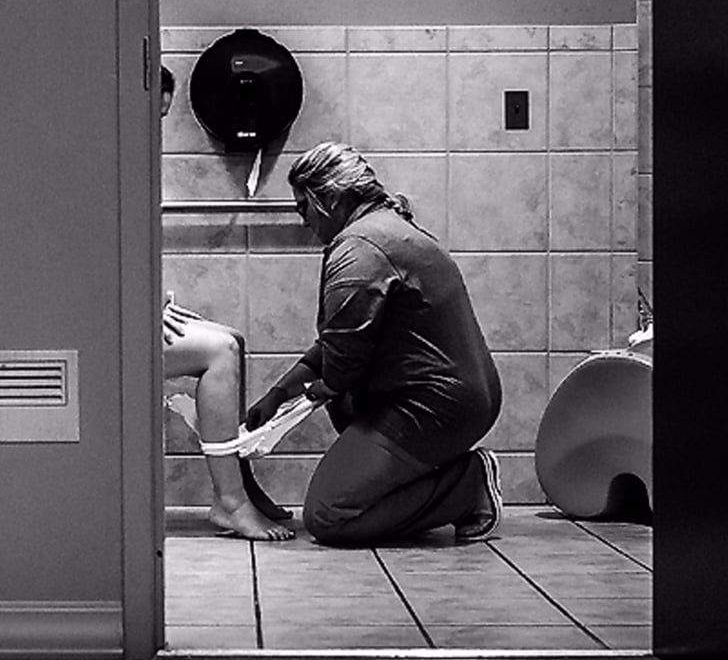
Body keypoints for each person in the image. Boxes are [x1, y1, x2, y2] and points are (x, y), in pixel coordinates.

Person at [245, 141, 503, 546]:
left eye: (303, 208)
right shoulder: (390, 230)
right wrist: (279, 393)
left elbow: (341, 367)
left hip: (435, 407)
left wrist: (316, 390)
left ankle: (467, 487)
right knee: (347, 408)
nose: (304, 222)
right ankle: (446, 477)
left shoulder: (359, 249)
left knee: (329, 516)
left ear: (328, 198)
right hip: (464, 397)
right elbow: (340, 340)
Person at [161, 64, 293, 541]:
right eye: (155, 110)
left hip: (117, 314)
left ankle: (239, 485)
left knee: (229, 338)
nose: (157, 122)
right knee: (220, 352)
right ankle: (230, 503)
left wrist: (155, 301)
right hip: (93, 327)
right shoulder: (101, 155)